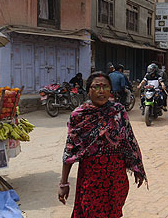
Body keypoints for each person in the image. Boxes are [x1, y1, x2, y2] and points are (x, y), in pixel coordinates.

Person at [58, 71, 147, 217]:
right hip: (91, 177)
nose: (101, 91)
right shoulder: (79, 115)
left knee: (114, 212)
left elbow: (129, 140)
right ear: (88, 91)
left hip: (116, 177)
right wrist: (64, 183)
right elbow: (70, 150)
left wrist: (137, 167)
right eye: (96, 87)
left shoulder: (118, 111)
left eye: (105, 87)